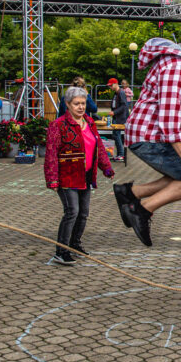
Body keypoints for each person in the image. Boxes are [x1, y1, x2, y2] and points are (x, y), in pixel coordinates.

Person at [114, 13, 181, 246]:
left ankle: (130, 193)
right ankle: (140, 208)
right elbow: (169, 114)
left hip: (151, 134)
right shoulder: (177, 66)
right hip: (151, 136)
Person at [44, 87, 115, 265]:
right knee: (72, 212)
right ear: (68, 104)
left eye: (83, 103)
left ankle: (75, 244)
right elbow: (51, 154)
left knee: (83, 213)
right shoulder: (58, 125)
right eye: (76, 104)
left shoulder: (90, 123)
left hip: (86, 176)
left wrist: (106, 167)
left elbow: (98, 149)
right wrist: (52, 178)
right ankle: (61, 250)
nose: (81, 107)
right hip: (67, 176)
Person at [108, 77, 128, 161]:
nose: (110, 87)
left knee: (116, 135)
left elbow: (124, 106)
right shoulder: (116, 93)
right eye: (109, 86)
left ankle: (121, 154)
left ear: (116, 84)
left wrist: (114, 112)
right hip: (116, 117)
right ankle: (120, 154)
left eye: (111, 85)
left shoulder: (121, 93)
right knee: (116, 135)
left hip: (120, 118)